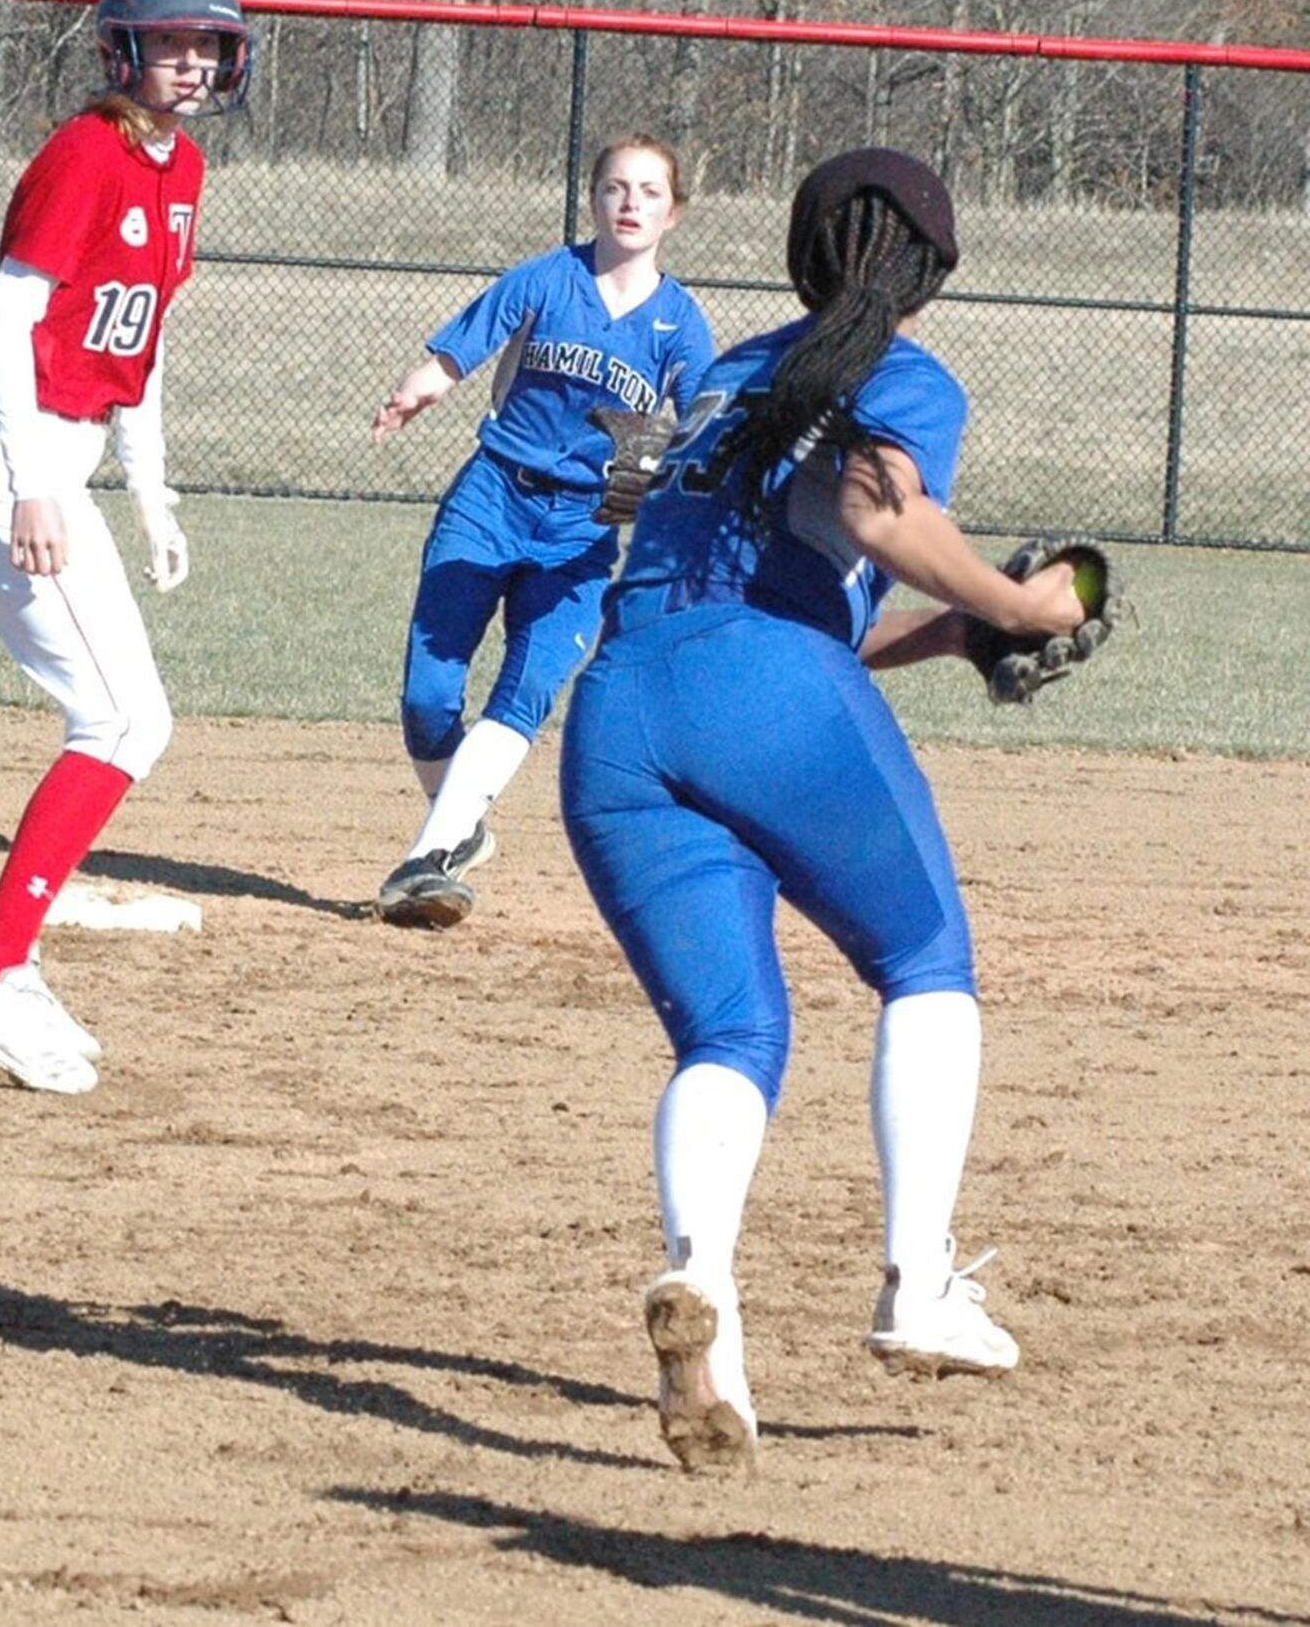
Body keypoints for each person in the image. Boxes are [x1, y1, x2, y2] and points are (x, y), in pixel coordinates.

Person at [559, 148, 1090, 1473]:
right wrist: (1025, 607)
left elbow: (789, 591)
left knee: (730, 1031)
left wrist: (957, 631)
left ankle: (707, 1308)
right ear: (928, 272)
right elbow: (869, 511)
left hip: (618, 713)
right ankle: (920, 1283)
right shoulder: (899, 371)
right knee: (926, 966)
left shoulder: (738, 370)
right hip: (760, 690)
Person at [0, 0, 251, 1094]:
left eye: (208, 43)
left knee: (129, 721)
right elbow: (9, 325)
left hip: (59, 454)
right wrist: (37, 485)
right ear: (121, 50)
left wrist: (148, 490)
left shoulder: (183, 167)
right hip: (8, 453)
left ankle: (4, 957)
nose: (192, 60)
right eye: (171, 40)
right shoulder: (82, 153)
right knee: (116, 719)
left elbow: (140, 351)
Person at [370, 135, 716, 930]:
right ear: (593, 200)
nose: (631, 203)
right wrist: (415, 391)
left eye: (650, 191)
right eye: (616, 188)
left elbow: (701, 424)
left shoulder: (680, 323)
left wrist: (679, 467)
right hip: (492, 496)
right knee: (428, 697)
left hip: (585, 529)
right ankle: (458, 824)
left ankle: (428, 857)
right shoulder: (548, 278)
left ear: (674, 212)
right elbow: (462, 349)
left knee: (524, 690)